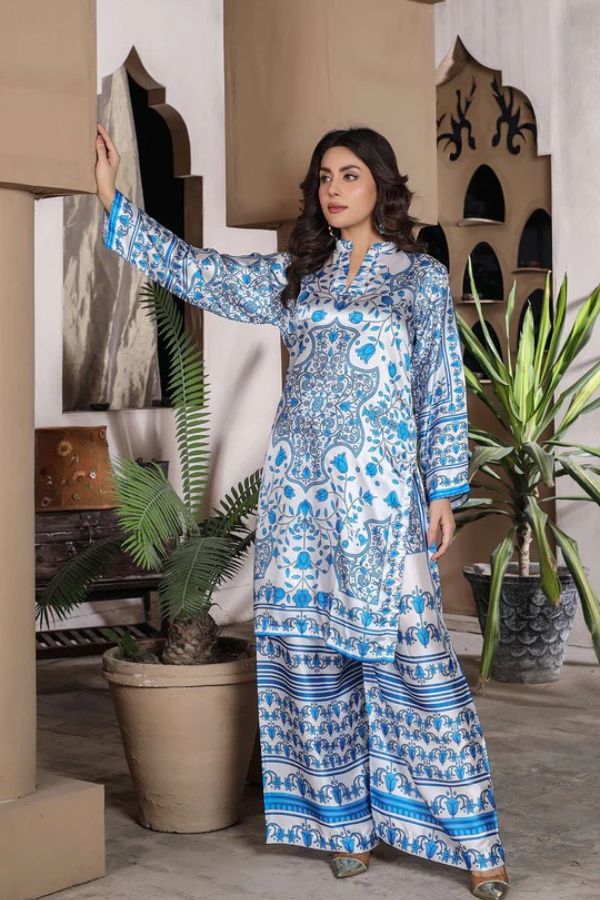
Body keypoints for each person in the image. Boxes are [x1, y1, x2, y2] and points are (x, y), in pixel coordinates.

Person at [95, 122, 510, 898]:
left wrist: (444, 489)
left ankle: (474, 841)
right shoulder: (298, 276)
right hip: (301, 498)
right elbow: (202, 273)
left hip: (383, 502)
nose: (333, 188)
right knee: (313, 663)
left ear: (381, 185)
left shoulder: (414, 278)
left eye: (350, 174)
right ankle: (341, 826)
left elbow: (440, 386)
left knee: (415, 660)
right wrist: (116, 201)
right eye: (324, 176)